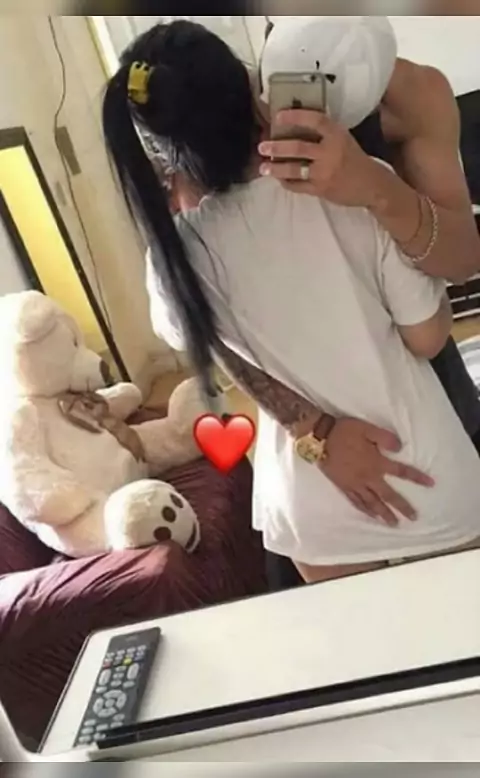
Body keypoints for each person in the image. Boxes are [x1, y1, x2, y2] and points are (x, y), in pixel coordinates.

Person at [102, 19, 480, 584]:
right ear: (252, 82)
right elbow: (427, 335)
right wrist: (318, 430)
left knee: (364, 645)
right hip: (420, 471)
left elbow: (218, 345)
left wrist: (317, 432)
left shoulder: (175, 255)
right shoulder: (347, 191)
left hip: (310, 505)